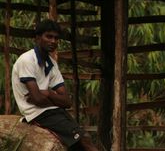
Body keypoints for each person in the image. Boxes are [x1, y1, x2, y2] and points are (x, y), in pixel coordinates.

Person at [12, 20, 100, 151]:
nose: (53, 41)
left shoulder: (51, 64)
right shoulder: (27, 60)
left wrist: (48, 93)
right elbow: (37, 100)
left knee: (78, 144)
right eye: (49, 36)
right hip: (37, 113)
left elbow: (67, 101)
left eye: (56, 38)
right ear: (37, 38)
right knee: (84, 139)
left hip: (52, 111)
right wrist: (52, 98)